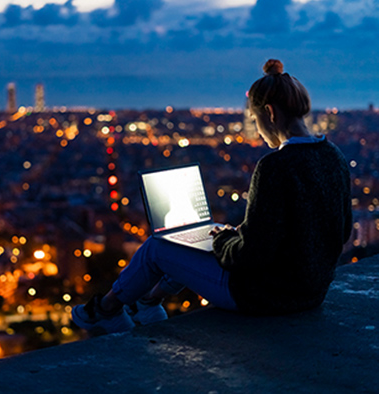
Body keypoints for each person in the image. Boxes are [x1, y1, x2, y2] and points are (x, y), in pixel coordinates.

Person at [72, 59, 352, 335]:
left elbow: (249, 256)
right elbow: (341, 230)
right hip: (312, 292)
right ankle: (147, 304)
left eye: (255, 120)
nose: (257, 129)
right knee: (193, 245)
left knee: (158, 248)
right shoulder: (333, 156)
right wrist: (239, 235)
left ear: (269, 112)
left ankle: (106, 310)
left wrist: (223, 242)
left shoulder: (275, 167)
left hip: (266, 296)